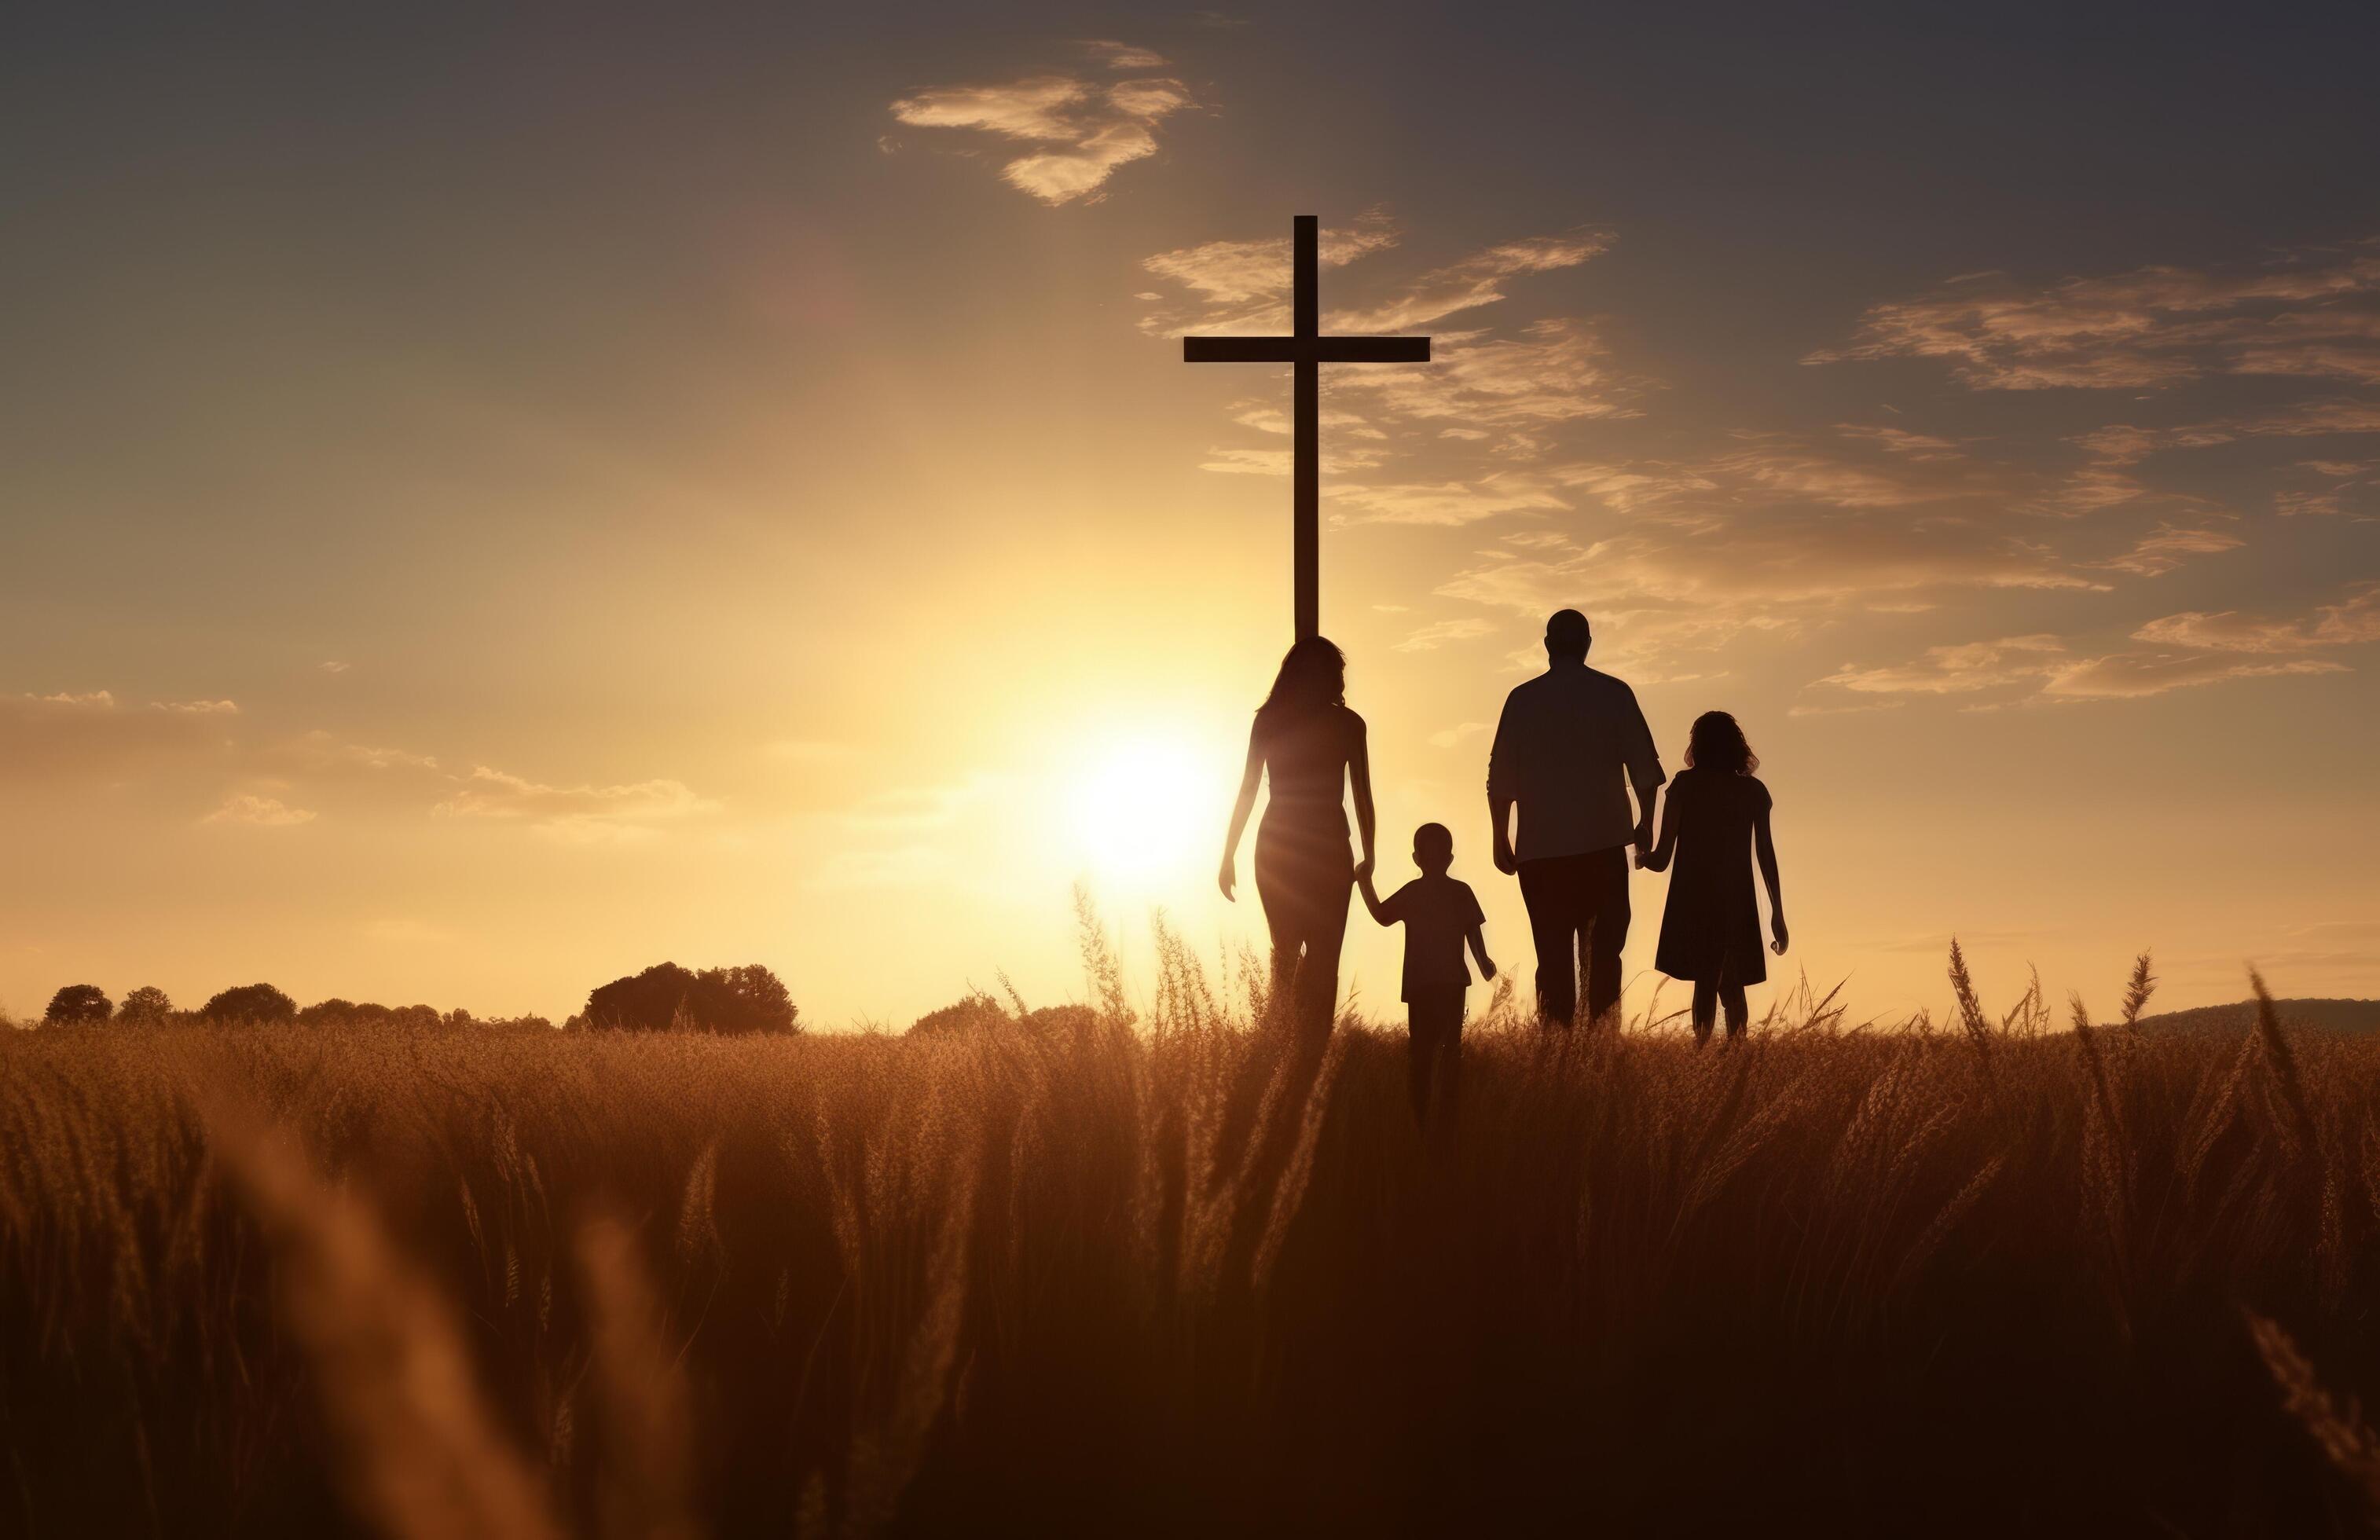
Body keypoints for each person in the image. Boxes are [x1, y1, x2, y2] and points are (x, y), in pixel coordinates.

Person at [1487, 609, 1665, 1028]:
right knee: (1604, 954)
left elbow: (1500, 779)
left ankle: (1555, 1052)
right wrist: (1645, 824)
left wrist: (1501, 837)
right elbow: (1645, 770)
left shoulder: (1523, 698)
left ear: (1548, 645)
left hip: (1541, 851)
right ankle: (1598, 1050)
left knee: (1551, 956)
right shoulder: (1614, 693)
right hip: (1602, 847)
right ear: (1587, 644)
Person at [1220, 636, 1378, 1047]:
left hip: (1283, 846)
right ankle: (1304, 1047)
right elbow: (1362, 794)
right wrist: (1369, 853)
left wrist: (1229, 855)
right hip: (1320, 845)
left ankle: (1288, 1045)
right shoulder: (1345, 724)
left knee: (1289, 954)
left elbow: (1249, 790)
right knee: (1317, 957)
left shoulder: (1273, 720)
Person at [1639, 710, 1788, 1043]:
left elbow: (1662, 860)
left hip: (1694, 898)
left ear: (1698, 745)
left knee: (1706, 982)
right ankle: (1737, 1058)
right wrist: (1777, 912)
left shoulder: (1685, 786)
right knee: (1731, 984)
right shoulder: (1752, 792)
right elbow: (1766, 855)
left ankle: (1702, 1059)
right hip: (1736, 899)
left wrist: (1640, 855)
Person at [1357, 823, 1495, 1138]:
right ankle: (1441, 1121)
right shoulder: (1459, 892)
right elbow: (1473, 930)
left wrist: (1364, 882)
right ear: (1450, 857)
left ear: (1416, 858)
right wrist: (1483, 962)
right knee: (1448, 1051)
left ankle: (1422, 1121)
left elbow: (1380, 914)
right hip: (1448, 985)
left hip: (1424, 986)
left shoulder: (1416, 892)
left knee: (1421, 1054)